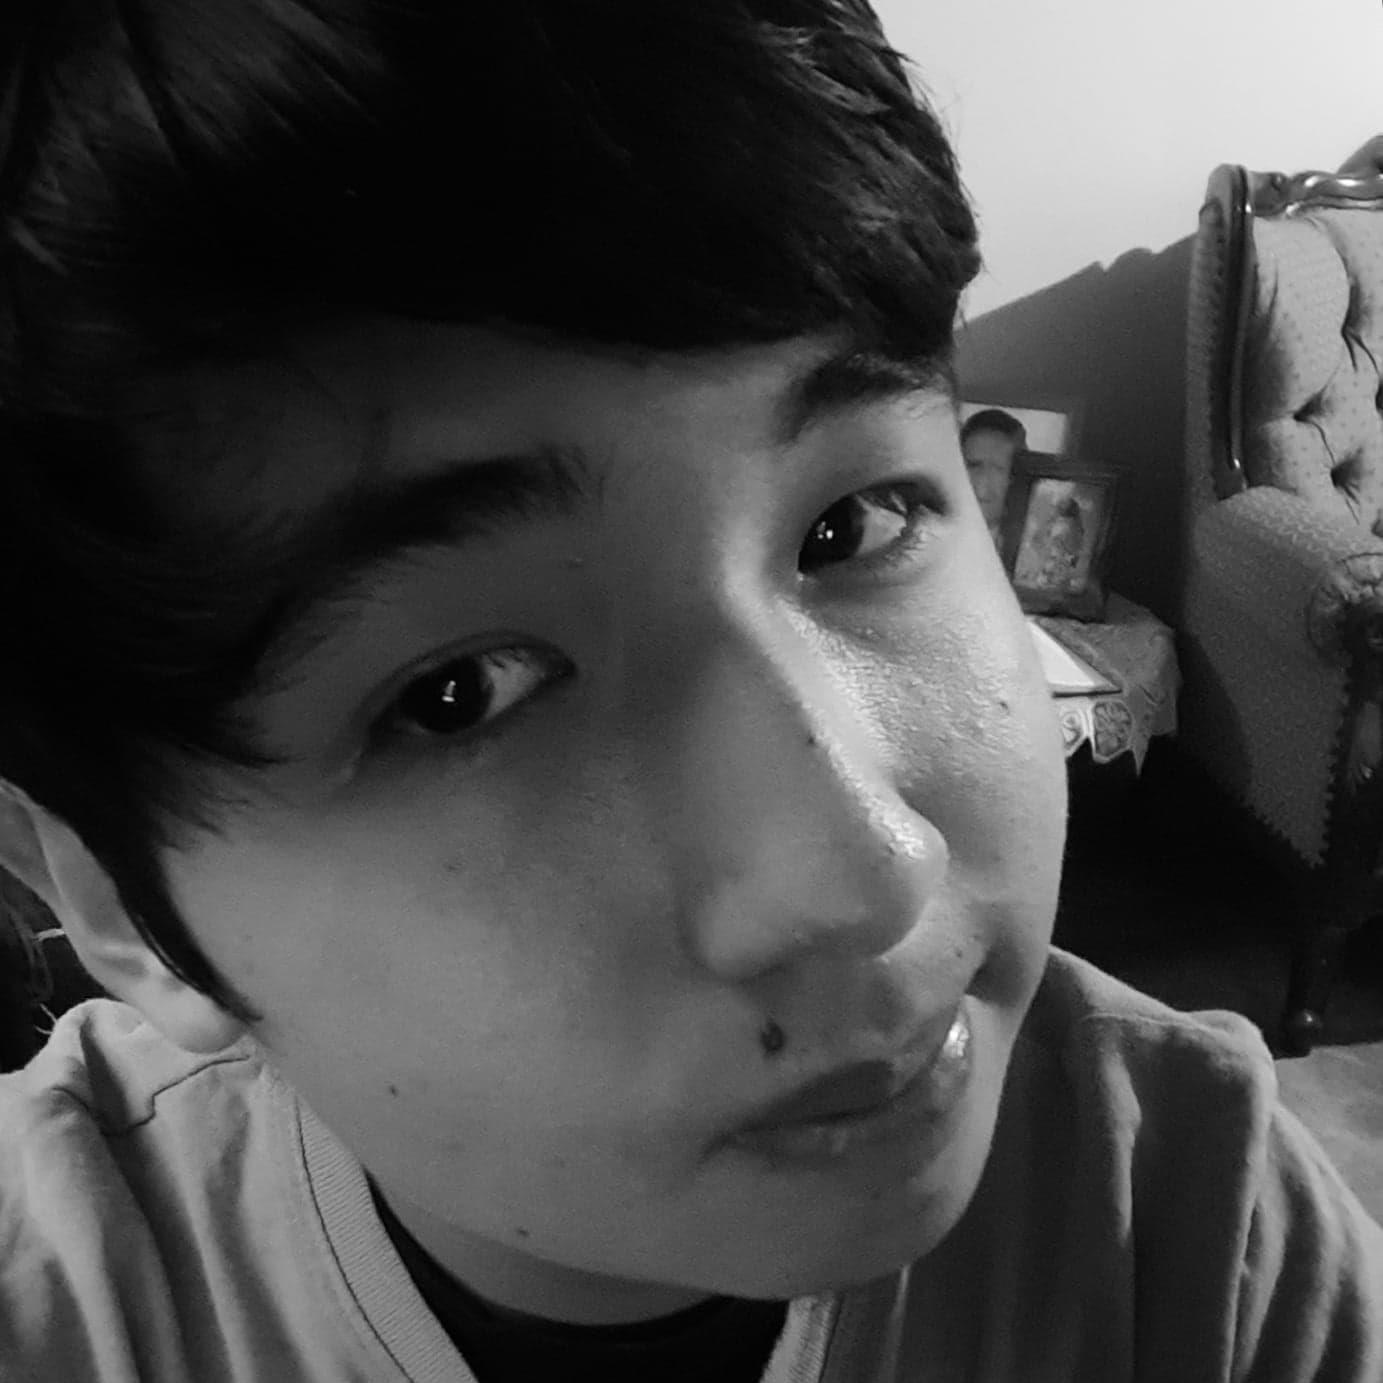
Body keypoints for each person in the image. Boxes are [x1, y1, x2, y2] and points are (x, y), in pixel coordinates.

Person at [0, 4, 1379, 1381]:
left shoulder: (1199, 1229)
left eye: (850, 526)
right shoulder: (66, 1304)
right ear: (127, 905)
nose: (867, 873)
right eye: (459, 693)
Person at [959, 407, 1026, 545]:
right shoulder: (926, 538)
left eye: (998, 468)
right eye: (974, 466)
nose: (983, 480)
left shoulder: (1032, 548)